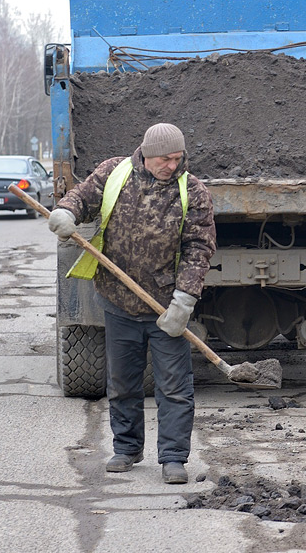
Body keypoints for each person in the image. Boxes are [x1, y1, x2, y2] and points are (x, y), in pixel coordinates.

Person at [48, 122, 216, 485]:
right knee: (123, 382)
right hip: (117, 300)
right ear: (146, 154)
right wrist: (66, 212)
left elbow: (198, 248)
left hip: (166, 307)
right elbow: (82, 196)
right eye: (164, 159)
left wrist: (184, 301)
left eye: (177, 158)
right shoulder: (114, 172)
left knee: (174, 387)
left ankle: (173, 458)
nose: (171, 165)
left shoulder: (194, 192)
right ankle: (126, 449)